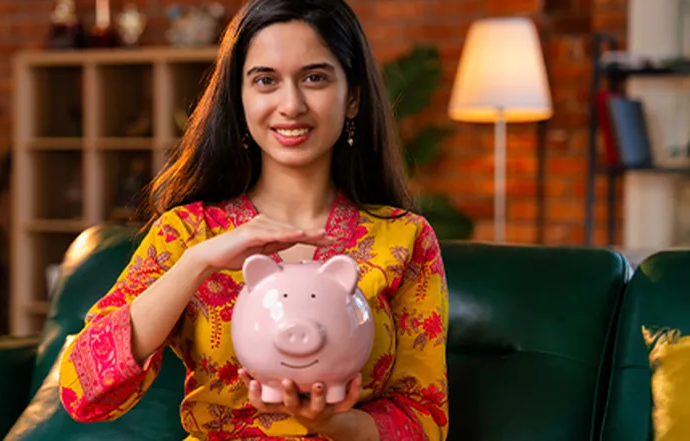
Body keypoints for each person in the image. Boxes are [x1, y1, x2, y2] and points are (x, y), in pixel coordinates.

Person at [57, 0, 449, 439]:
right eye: (265, 80)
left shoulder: (404, 238)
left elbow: (424, 421)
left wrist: (333, 423)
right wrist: (197, 263)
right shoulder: (188, 233)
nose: (291, 104)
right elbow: (82, 391)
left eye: (315, 78)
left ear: (353, 96)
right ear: (239, 98)